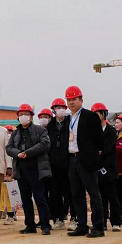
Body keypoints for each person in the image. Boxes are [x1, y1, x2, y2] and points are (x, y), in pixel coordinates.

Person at [63, 86, 105, 238]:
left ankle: (98, 226)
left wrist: (95, 158)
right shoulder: (67, 119)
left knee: (93, 194)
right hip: (72, 159)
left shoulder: (90, 116)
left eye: (74, 99)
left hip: (86, 160)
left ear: (81, 100)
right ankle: (82, 225)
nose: (71, 102)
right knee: (76, 194)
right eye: (69, 100)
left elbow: (100, 140)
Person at [6, 103, 52, 235]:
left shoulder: (40, 130)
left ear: (31, 116)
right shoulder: (15, 132)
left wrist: (28, 152)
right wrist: (18, 153)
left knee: (40, 198)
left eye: (26, 114)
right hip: (21, 171)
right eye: (21, 114)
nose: (23, 117)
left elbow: (45, 143)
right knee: (25, 200)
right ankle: (30, 225)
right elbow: (8, 148)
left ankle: (45, 225)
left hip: (36, 170)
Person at [48, 97, 76, 231]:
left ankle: (74, 218)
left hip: (68, 164)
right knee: (55, 193)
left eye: (62, 108)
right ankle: (58, 219)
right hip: (53, 165)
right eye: (57, 108)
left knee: (70, 192)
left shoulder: (71, 122)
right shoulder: (50, 126)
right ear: (53, 110)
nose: (60, 110)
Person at [93, 103, 121, 232]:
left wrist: (99, 151)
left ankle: (116, 222)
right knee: (101, 197)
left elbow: (107, 149)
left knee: (112, 196)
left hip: (109, 168)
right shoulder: (92, 131)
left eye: (98, 114)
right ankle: (102, 222)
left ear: (103, 114)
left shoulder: (110, 130)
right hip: (97, 168)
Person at [37, 108, 54, 224]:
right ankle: (44, 217)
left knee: (53, 193)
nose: (43, 119)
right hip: (40, 167)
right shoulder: (36, 131)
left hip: (53, 166)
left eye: (46, 117)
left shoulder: (53, 130)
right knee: (41, 194)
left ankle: (55, 216)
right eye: (41, 117)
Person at [2, 124, 17, 225]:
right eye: (7, 132)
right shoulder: (1, 145)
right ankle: (4, 212)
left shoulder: (15, 144)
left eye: (10, 132)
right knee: (4, 194)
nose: (8, 134)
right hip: (3, 172)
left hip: (14, 173)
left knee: (13, 194)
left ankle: (12, 214)